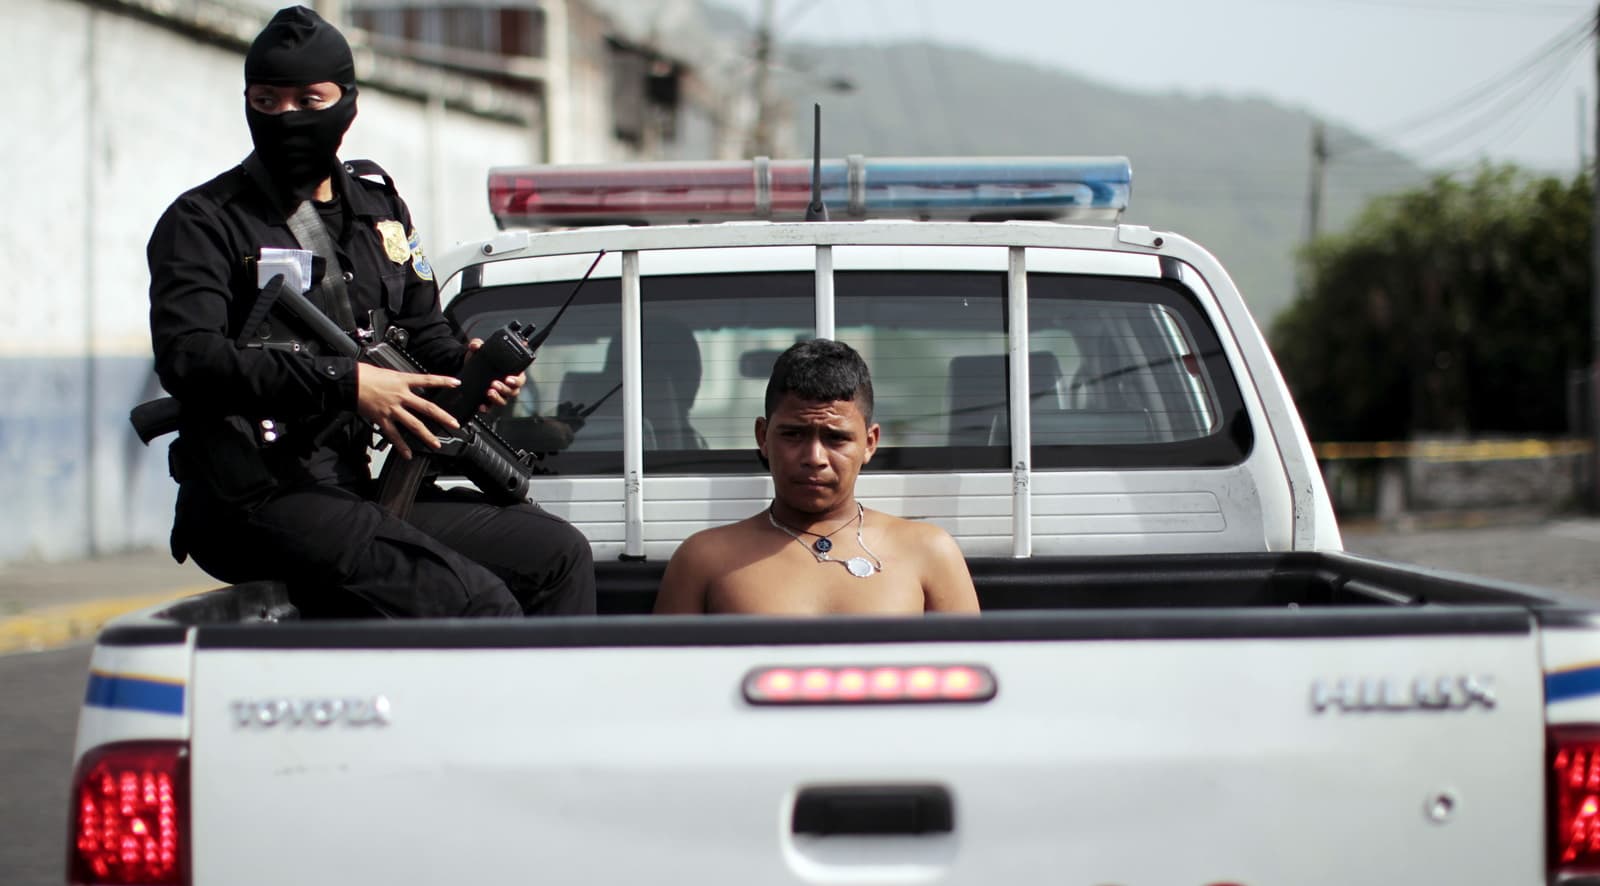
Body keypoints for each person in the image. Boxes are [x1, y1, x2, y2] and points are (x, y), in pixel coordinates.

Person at [147, 6, 594, 618]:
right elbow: (189, 358)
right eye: (268, 100)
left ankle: (560, 714)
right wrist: (349, 384)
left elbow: (422, 330)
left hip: (358, 487)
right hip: (255, 495)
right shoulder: (204, 221)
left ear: (347, 104)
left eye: (309, 99)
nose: (287, 117)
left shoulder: (378, 212)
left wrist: (469, 365)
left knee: (559, 554)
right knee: (474, 603)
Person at [653, 339, 979, 615]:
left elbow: (972, 676)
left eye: (835, 438)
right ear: (763, 437)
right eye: (793, 435)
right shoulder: (704, 559)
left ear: (869, 443)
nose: (814, 458)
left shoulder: (929, 551)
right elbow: (665, 683)